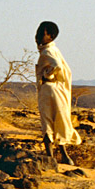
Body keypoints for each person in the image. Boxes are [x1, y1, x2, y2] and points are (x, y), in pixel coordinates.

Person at [35, 21, 81, 165]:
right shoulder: (54, 49)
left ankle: (51, 158)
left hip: (48, 89)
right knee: (60, 120)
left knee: (47, 122)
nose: (37, 37)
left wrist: (47, 75)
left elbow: (57, 65)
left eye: (42, 33)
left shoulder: (47, 51)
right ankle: (65, 156)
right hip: (58, 89)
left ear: (51, 36)